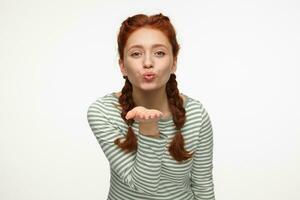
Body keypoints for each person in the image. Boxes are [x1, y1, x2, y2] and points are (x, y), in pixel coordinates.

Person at [87, 13, 215, 200]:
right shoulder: (103, 112)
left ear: (174, 63)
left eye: (159, 53)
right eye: (136, 54)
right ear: (122, 65)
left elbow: (203, 184)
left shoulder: (196, 114)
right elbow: (143, 186)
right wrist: (148, 127)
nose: (148, 63)